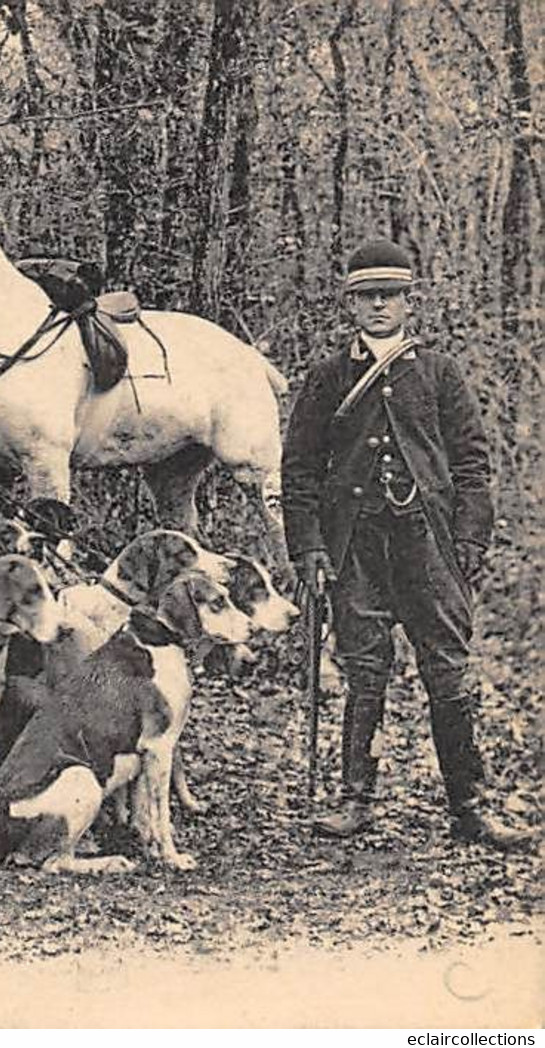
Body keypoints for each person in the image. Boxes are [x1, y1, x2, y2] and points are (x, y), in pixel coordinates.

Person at [282, 238, 531, 851]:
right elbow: (300, 472)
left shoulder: (439, 372)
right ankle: (354, 800)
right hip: (356, 549)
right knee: (364, 673)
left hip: (428, 548)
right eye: (366, 297)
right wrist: (310, 549)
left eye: (389, 296)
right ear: (349, 305)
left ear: (408, 302)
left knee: (448, 671)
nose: (378, 308)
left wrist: (470, 539)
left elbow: (473, 465)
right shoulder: (328, 376)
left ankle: (469, 807)